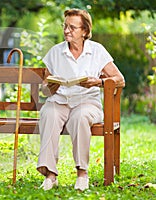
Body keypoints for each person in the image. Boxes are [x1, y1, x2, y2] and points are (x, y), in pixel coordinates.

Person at [37, 8, 125, 191]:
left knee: (80, 117)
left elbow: (119, 79)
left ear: (85, 31)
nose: (67, 31)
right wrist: (49, 87)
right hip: (60, 101)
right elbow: (45, 89)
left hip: (87, 103)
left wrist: (99, 82)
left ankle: (82, 173)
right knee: (48, 113)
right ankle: (50, 175)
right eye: (65, 26)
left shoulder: (97, 51)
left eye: (72, 27)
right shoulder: (55, 52)